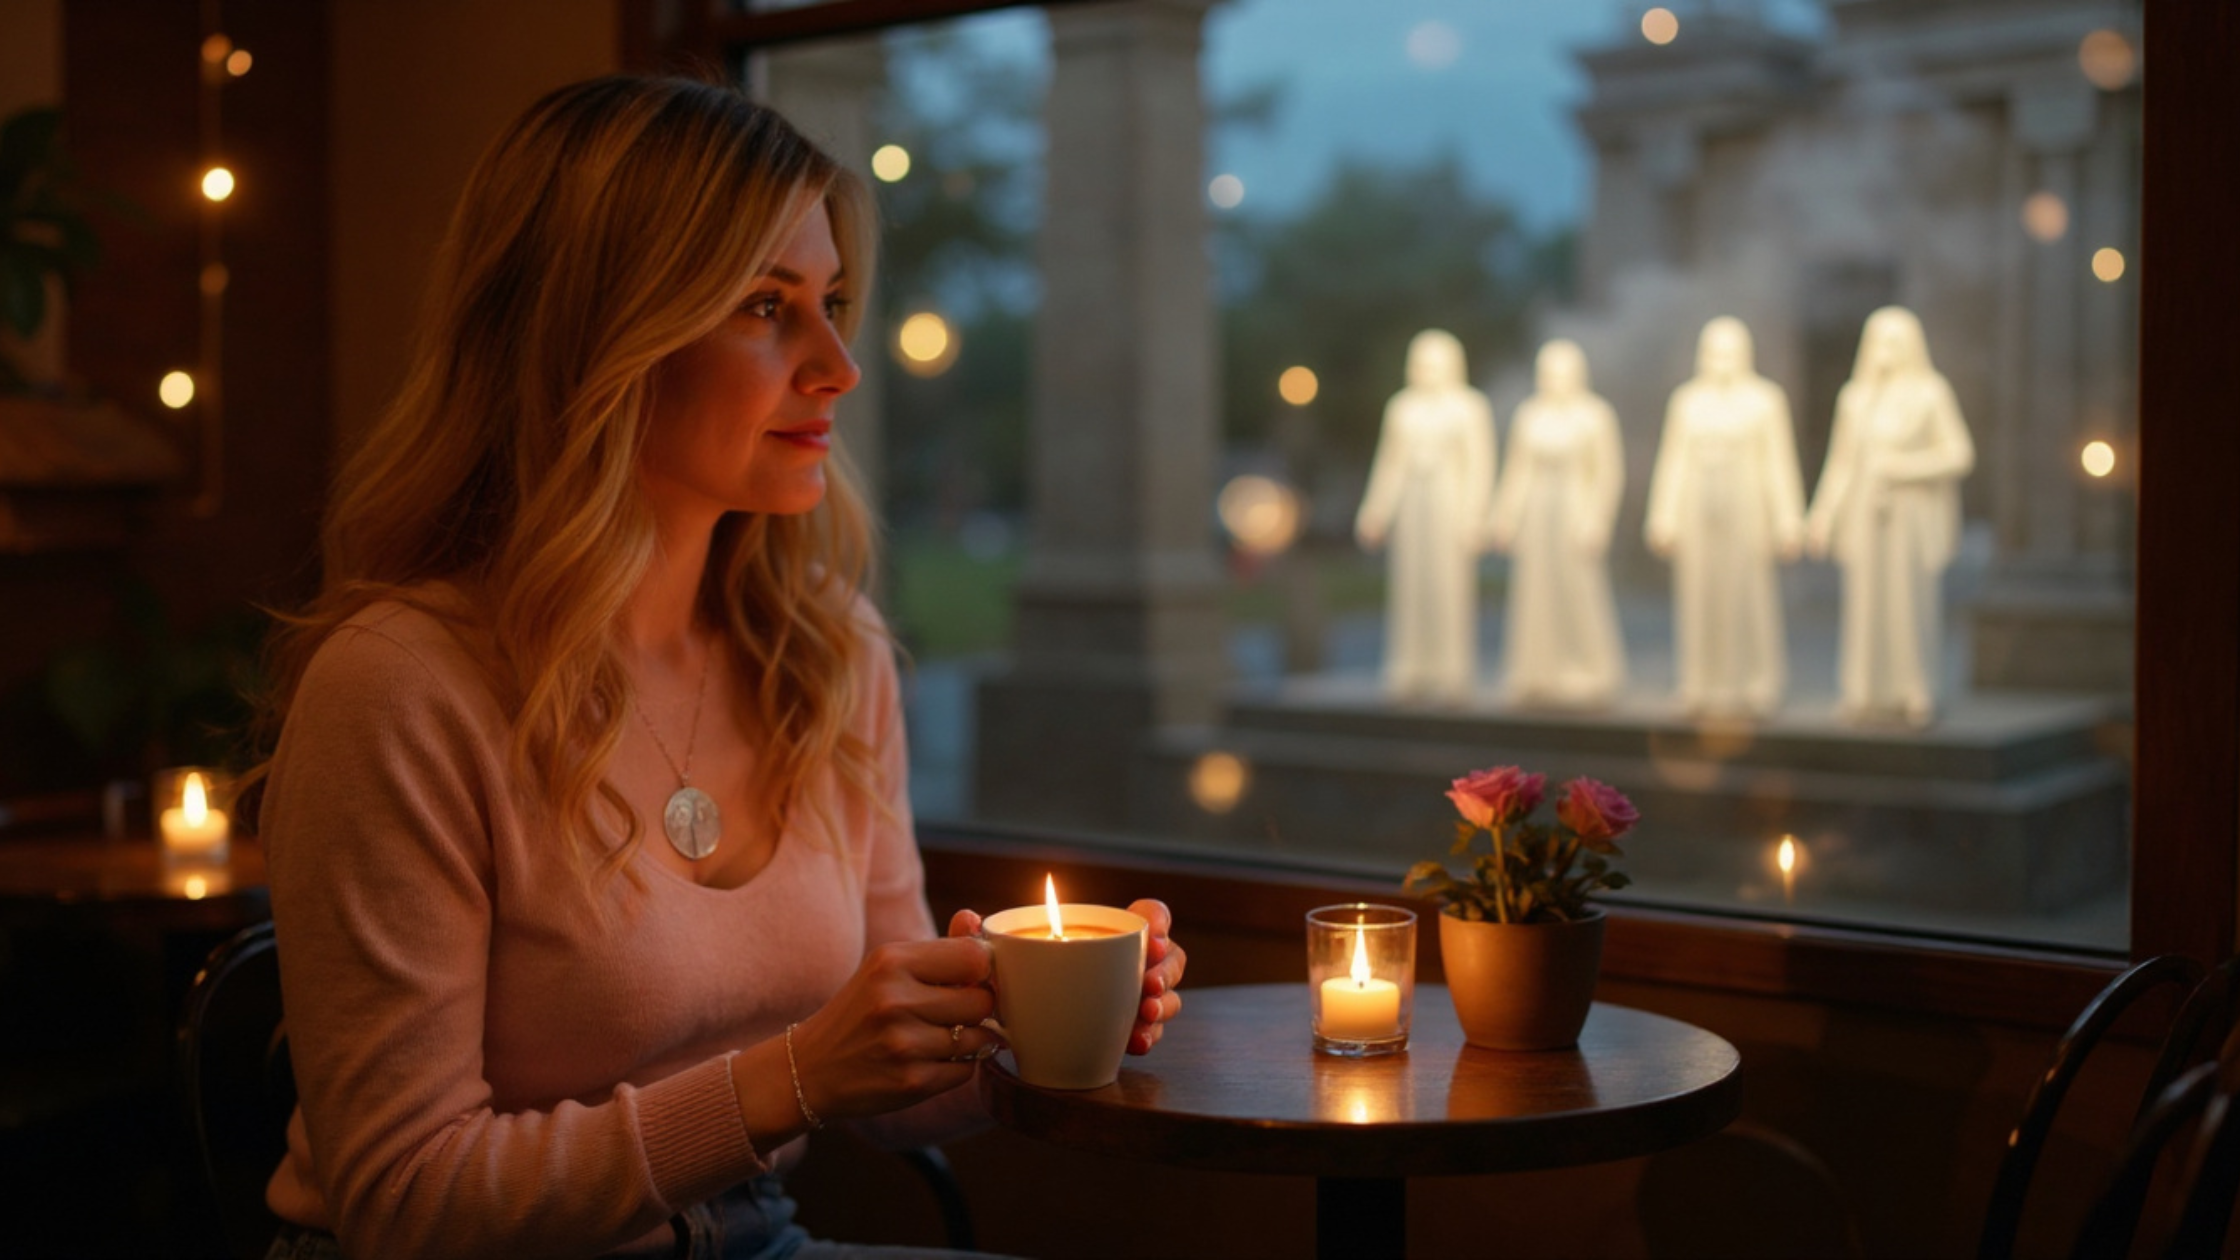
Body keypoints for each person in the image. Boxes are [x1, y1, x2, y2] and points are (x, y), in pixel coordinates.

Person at [245, 76, 1185, 1260]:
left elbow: (892, 1102)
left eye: (831, 302)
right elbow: (403, 1201)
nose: (837, 364)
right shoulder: (401, 689)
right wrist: (789, 1078)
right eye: (764, 305)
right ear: (599, 337)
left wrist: (1031, 1022)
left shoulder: (826, 656)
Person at [1804, 306, 1975, 726]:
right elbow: (1842, 463)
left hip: (1911, 513)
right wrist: (1822, 515)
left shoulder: (1931, 393)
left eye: (1895, 341)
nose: (1886, 351)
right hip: (1866, 511)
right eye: (1879, 341)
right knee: (1865, 603)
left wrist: (1906, 468)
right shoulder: (1855, 398)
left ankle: (1916, 688)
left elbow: (1958, 453)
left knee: (1909, 599)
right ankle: (1863, 689)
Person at [1644, 316, 1805, 718]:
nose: (1722, 362)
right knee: (1698, 594)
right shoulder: (1687, 400)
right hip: (1698, 505)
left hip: (1747, 504)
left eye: (1730, 353)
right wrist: (1663, 515)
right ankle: (1698, 682)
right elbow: (1673, 461)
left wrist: (1787, 519)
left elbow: (1778, 463)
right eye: (1715, 353)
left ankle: (1757, 682)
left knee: (1750, 594)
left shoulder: (1765, 400)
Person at [1354, 329, 1497, 700]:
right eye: (1419, 364)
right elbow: (1390, 463)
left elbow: (1479, 465)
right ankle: (1410, 665)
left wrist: (1475, 515)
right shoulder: (1402, 407)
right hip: (1413, 504)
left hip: (1450, 501)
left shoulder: (1469, 406)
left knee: (1448, 585)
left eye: (1433, 364)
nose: (1425, 371)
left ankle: (1452, 670)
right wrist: (1376, 509)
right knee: (1410, 584)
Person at [1485, 339, 1627, 708]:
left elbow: (1607, 473)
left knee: (1579, 589)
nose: (1555, 381)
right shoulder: (1530, 415)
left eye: (1562, 373)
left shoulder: (1595, 414)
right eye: (1548, 373)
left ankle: (1590, 670)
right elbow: (1518, 471)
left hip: (1575, 507)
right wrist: (1505, 516)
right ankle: (1536, 671)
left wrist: (1598, 519)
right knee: (1535, 590)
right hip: (1538, 512)